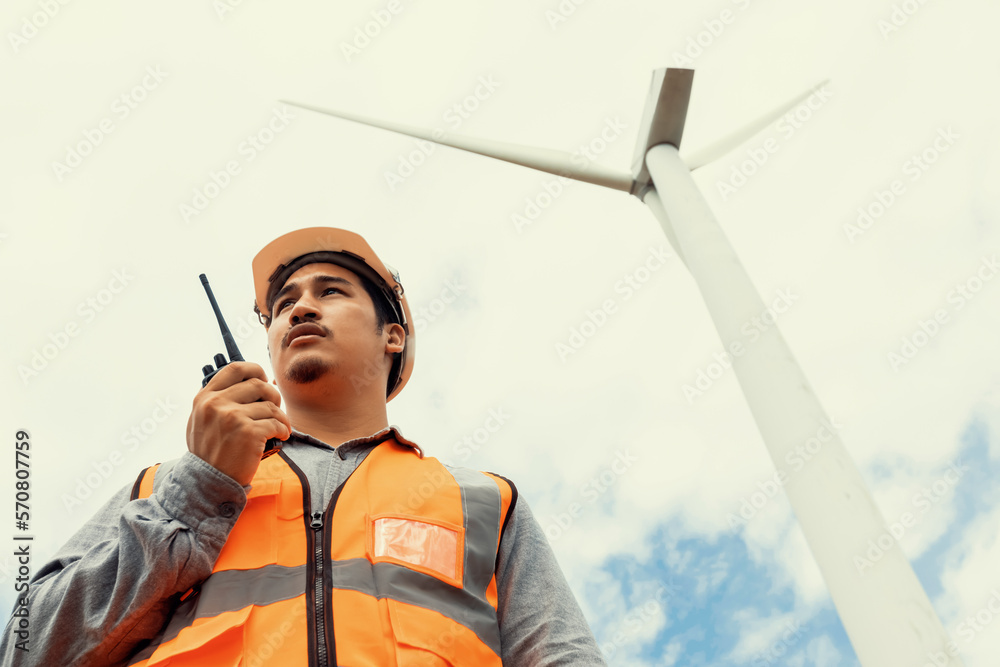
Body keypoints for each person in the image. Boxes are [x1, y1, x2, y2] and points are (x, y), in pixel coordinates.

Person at [1, 227, 607, 666]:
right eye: (283, 303)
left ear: (391, 335)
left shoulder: (485, 502)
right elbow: (29, 650)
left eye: (331, 291)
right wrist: (197, 495)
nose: (300, 308)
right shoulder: (163, 488)